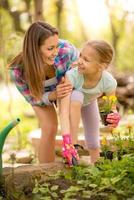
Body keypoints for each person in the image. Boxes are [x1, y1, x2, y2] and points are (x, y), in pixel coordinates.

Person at [8, 21, 79, 164]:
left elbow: (80, 73)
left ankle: (74, 159)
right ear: (35, 49)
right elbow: (33, 99)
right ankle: (45, 173)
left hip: (65, 88)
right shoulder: (18, 71)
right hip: (40, 96)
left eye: (57, 46)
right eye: (50, 48)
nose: (56, 52)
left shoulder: (66, 51)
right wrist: (52, 95)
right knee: (49, 127)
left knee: (71, 118)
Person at [59, 40, 120, 164]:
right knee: (77, 95)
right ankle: (74, 145)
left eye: (86, 60)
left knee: (93, 141)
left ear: (101, 66)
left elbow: (112, 107)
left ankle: (96, 167)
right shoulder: (72, 76)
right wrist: (67, 140)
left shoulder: (109, 82)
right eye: (80, 55)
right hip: (71, 102)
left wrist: (114, 116)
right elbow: (64, 111)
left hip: (89, 102)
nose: (80, 61)